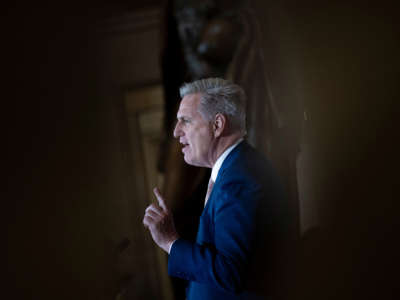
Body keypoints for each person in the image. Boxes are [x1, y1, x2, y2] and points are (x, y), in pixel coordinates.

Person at [143, 78, 289, 299]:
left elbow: (230, 272)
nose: (176, 132)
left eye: (186, 121)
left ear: (218, 125)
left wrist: (170, 242)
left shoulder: (238, 180)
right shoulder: (235, 168)